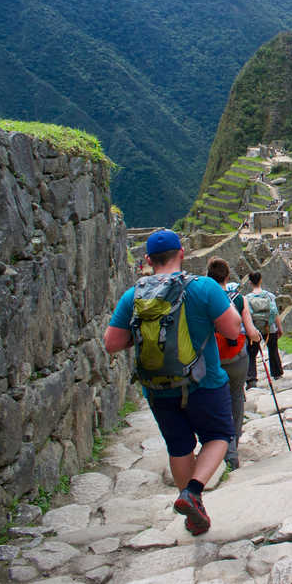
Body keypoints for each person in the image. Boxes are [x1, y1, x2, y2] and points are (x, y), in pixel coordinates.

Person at [104, 230, 240, 536]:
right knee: (219, 436)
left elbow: (112, 342)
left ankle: (193, 512)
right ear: (182, 253)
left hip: (158, 388)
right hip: (204, 383)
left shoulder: (133, 296)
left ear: (149, 260)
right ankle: (192, 491)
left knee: (179, 447)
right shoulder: (203, 287)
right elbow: (233, 329)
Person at [205, 257, 262, 470]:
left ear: (208, 276)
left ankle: (219, 448)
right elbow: (250, 330)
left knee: (216, 401)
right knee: (236, 398)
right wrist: (257, 338)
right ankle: (233, 446)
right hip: (238, 357)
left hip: (213, 358)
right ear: (227, 277)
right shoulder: (239, 299)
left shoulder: (204, 297)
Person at [246, 270, 283, 388]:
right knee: (273, 349)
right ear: (261, 280)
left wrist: (249, 330)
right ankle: (277, 373)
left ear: (250, 282)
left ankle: (251, 378)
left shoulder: (247, 298)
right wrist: (279, 328)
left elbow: (247, 315)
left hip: (255, 330)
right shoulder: (269, 296)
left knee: (251, 353)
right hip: (269, 328)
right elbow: (275, 313)